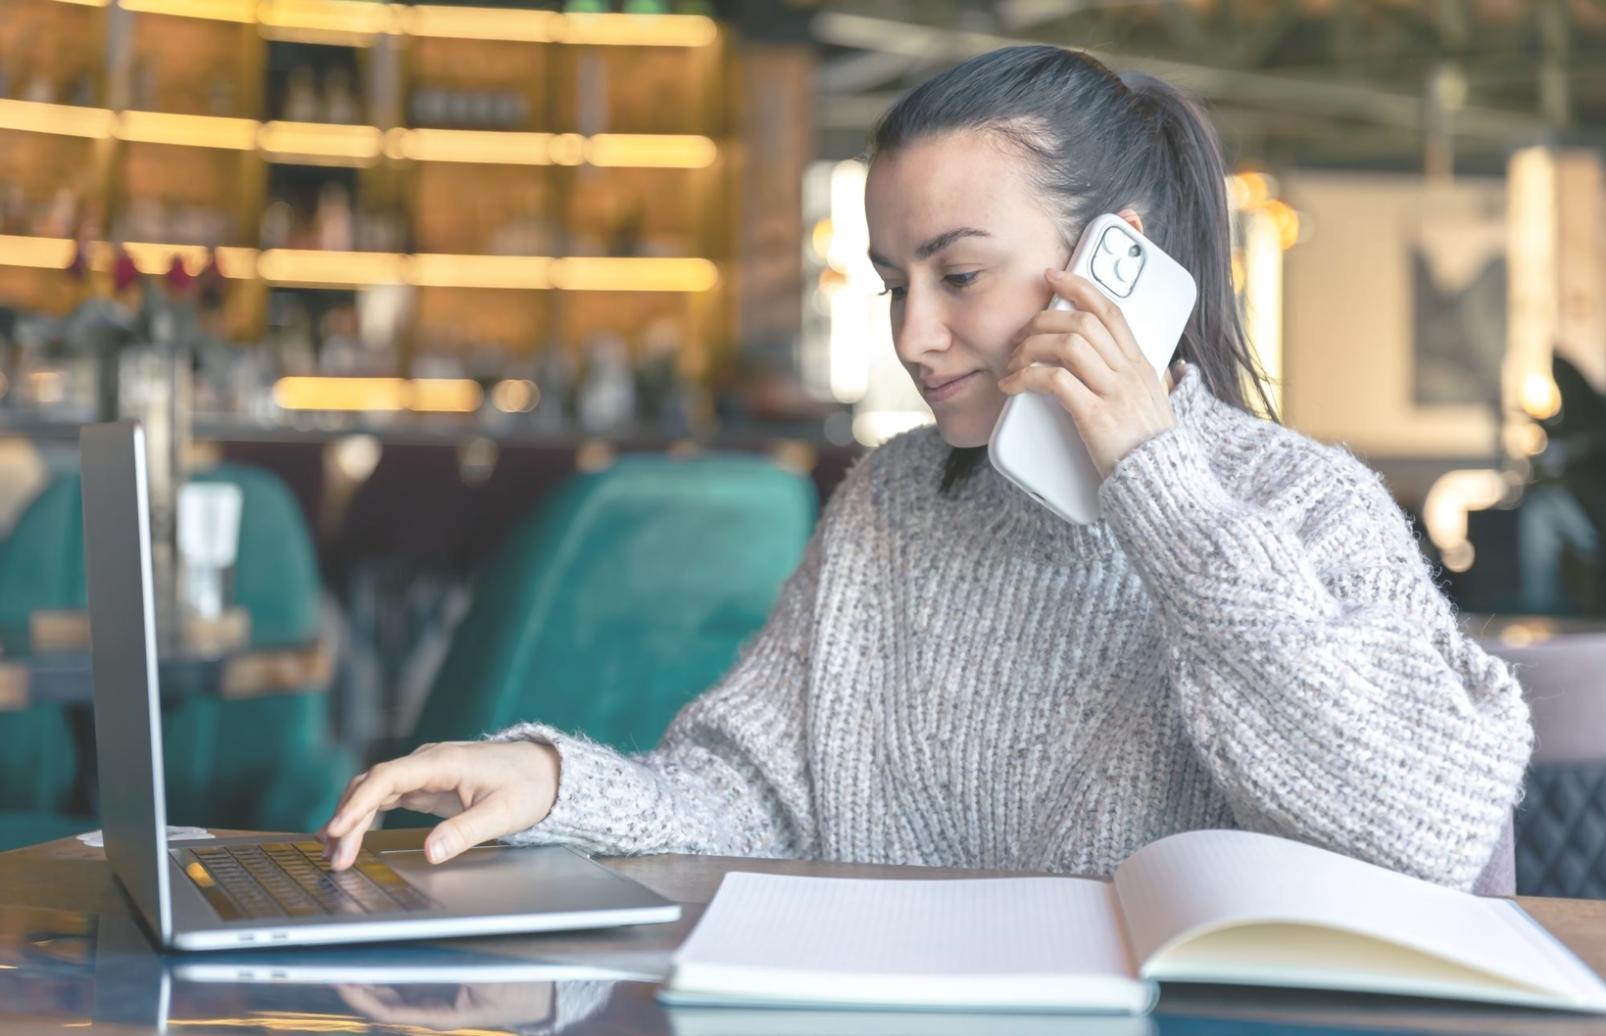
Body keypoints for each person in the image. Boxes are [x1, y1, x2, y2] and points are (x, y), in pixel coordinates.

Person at [319, 46, 1532, 891]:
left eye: (959, 275)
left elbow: (1421, 825)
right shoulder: (894, 501)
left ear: (1115, 263)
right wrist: (552, 779)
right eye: (896, 284)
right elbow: (755, 796)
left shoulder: (1297, 501)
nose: (911, 337)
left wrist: (1153, 483)